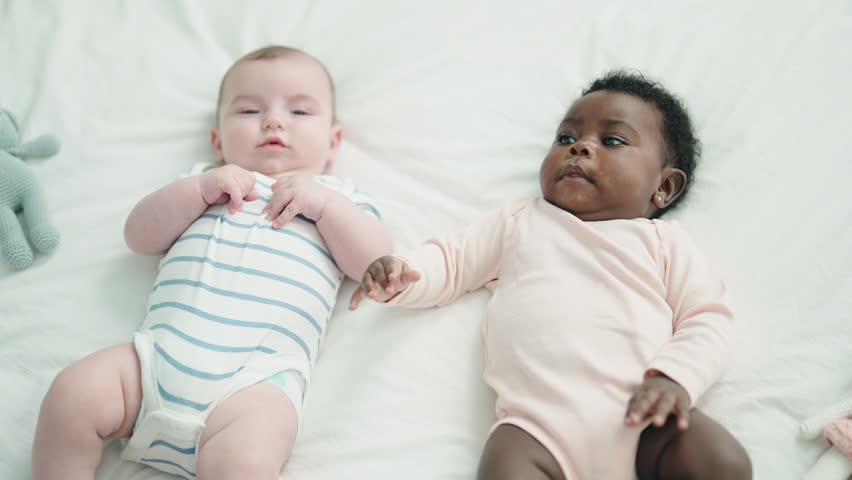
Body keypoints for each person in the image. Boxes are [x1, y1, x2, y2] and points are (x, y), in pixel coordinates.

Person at [349, 70, 751, 480]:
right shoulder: (520, 222)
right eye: (566, 138)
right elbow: (452, 262)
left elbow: (708, 317)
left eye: (611, 140)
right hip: (537, 431)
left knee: (720, 460)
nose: (580, 147)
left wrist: (675, 378)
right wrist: (403, 272)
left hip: (646, 416)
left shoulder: (662, 241)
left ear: (664, 187)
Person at [32, 45, 393, 480]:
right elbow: (138, 237)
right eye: (248, 110)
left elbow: (374, 262)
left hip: (253, 386)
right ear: (217, 139)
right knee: (72, 394)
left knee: (243, 463)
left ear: (333, 142)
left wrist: (325, 206)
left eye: (299, 111)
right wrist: (200, 190)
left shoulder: (342, 199)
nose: (274, 121)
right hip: (152, 364)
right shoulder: (201, 185)